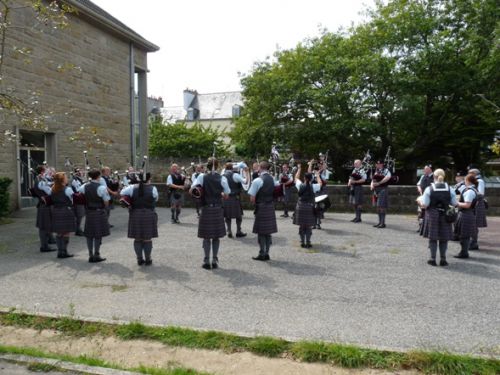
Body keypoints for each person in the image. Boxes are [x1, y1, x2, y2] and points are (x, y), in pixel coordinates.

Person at [191, 158, 230, 270]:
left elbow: (192, 191)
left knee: (207, 237)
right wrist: (220, 193)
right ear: (217, 166)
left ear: (206, 166)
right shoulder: (222, 178)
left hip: (206, 209)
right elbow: (227, 195)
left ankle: (206, 260)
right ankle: (214, 260)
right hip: (217, 208)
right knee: (216, 237)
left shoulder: (202, 177)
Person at [418, 169, 457, 266]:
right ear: (444, 176)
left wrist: (419, 201)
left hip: (432, 214)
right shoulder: (450, 188)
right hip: (445, 214)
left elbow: (425, 205)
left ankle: (432, 259)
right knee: (444, 238)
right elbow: (454, 203)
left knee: (433, 237)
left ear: (434, 177)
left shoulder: (429, 189)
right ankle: (443, 259)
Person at [120, 172, 158, 266]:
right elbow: (155, 199)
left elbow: (122, 193)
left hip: (135, 214)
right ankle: (148, 259)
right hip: (148, 213)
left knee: (137, 239)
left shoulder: (131, 187)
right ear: (149, 178)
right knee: (147, 239)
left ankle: (139, 259)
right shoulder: (153, 188)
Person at [248, 161, 279, 261]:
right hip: (270, 206)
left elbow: (252, 198)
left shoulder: (257, 180)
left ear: (260, 168)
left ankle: (262, 253)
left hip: (261, 207)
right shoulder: (272, 179)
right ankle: (267, 253)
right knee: (268, 232)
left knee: (261, 232)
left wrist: (256, 203)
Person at [79, 169, 110, 263]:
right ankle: (96, 254)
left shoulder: (84, 186)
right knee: (97, 234)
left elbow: (79, 194)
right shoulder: (101, 188)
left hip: (89, 212)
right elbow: (106, 202)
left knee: (89, 235)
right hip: (99, 212)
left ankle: (90, 255)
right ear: (98, 176)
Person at [293, 165, 321, 248]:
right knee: (308, 225)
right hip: (309, 207)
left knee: (302, 225)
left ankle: (302, 242)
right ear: (311, 179)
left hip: (300, 206)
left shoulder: (300, 185)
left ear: (304, 178)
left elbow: (296, 178)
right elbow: (320, 183)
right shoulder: (313, 186)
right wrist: (318, 175)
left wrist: (299, 169)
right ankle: (308, 242)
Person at [50, 172, 76, 259]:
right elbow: (73, 201)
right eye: (66, 177)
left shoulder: (52, 189)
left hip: (56, 211)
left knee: (58, 233)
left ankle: (59, 252)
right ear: (62, 179)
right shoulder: (68, 189)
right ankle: (64, 251)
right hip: (65, 211)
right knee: (65, 233)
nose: (67, 178)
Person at [454, 173, 478, 259]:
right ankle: (463, 251)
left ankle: (464, 253)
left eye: (465, 180)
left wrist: (457, 203)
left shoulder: (470, 192)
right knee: (463, 234)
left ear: (468, 181)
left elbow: (467, 205)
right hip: (467, 214)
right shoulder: (472, 190)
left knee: (464, 235)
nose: (464, 182)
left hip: (466, 214)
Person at [34, 165, 56, 253]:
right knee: (43, 226)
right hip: (44, 205)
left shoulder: (42, 180)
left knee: (47, 224)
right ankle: (44, 246)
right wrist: (56, 185)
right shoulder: (41, 182)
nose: (48, 172)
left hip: (46, 205)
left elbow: (48, 185)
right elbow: (50, 192)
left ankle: (49, 240)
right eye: (46, 171)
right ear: (43, 172)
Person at [223, 162, 249, 238]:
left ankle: (229, 231)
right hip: (235, 198)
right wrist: (247, 172)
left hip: (226, 198)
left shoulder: (222, 176)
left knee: (227, 216)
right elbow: (245, 181)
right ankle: (238, 231)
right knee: (238, 216)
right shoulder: (235, 175)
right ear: (232, 168)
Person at [468, 168, 487, 250]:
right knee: (472, 223)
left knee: (474, 224)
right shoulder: (474, 181)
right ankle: (472, 241)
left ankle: (474, 242)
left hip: (477, 204)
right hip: (474, 204)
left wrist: (471, 191)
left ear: (474, 173)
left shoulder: (480, 181)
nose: (468, 175)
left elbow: (481, 194)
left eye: (470, 173)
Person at [370, 159, 392, 228]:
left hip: (383, 189)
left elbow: (388, 178)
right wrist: (371, 185)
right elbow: (373, 180)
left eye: (379, 164)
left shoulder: (386, 171)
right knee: (378, 206)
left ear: (382, 164)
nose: (378, 165)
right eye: (377, 164)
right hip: (376, 190)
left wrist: (379, 183)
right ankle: (379, 222)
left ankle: (383, 223)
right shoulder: (376, 171)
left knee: (382, 206)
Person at [417, 165, 434, 234]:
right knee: (420, 212)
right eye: (424, 169)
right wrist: (420, 190)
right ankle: (420, 227)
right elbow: (418, 184)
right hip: (422, 196)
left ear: (430, 169)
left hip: (430, 197)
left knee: (427, 212)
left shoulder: (434, 176)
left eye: (426, 169)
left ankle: (427, 228)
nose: (424, 170)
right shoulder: (422, 176)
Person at [70, 168, 85, 236]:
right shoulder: (74, 180)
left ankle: (78, 229)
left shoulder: (79, 179)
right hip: (77, 199)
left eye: (80, 171)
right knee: (79, 215)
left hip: (80, 199)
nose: (80, 172)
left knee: (80, 215)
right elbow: (78, 190)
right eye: (78, 172)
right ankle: (77, 230)